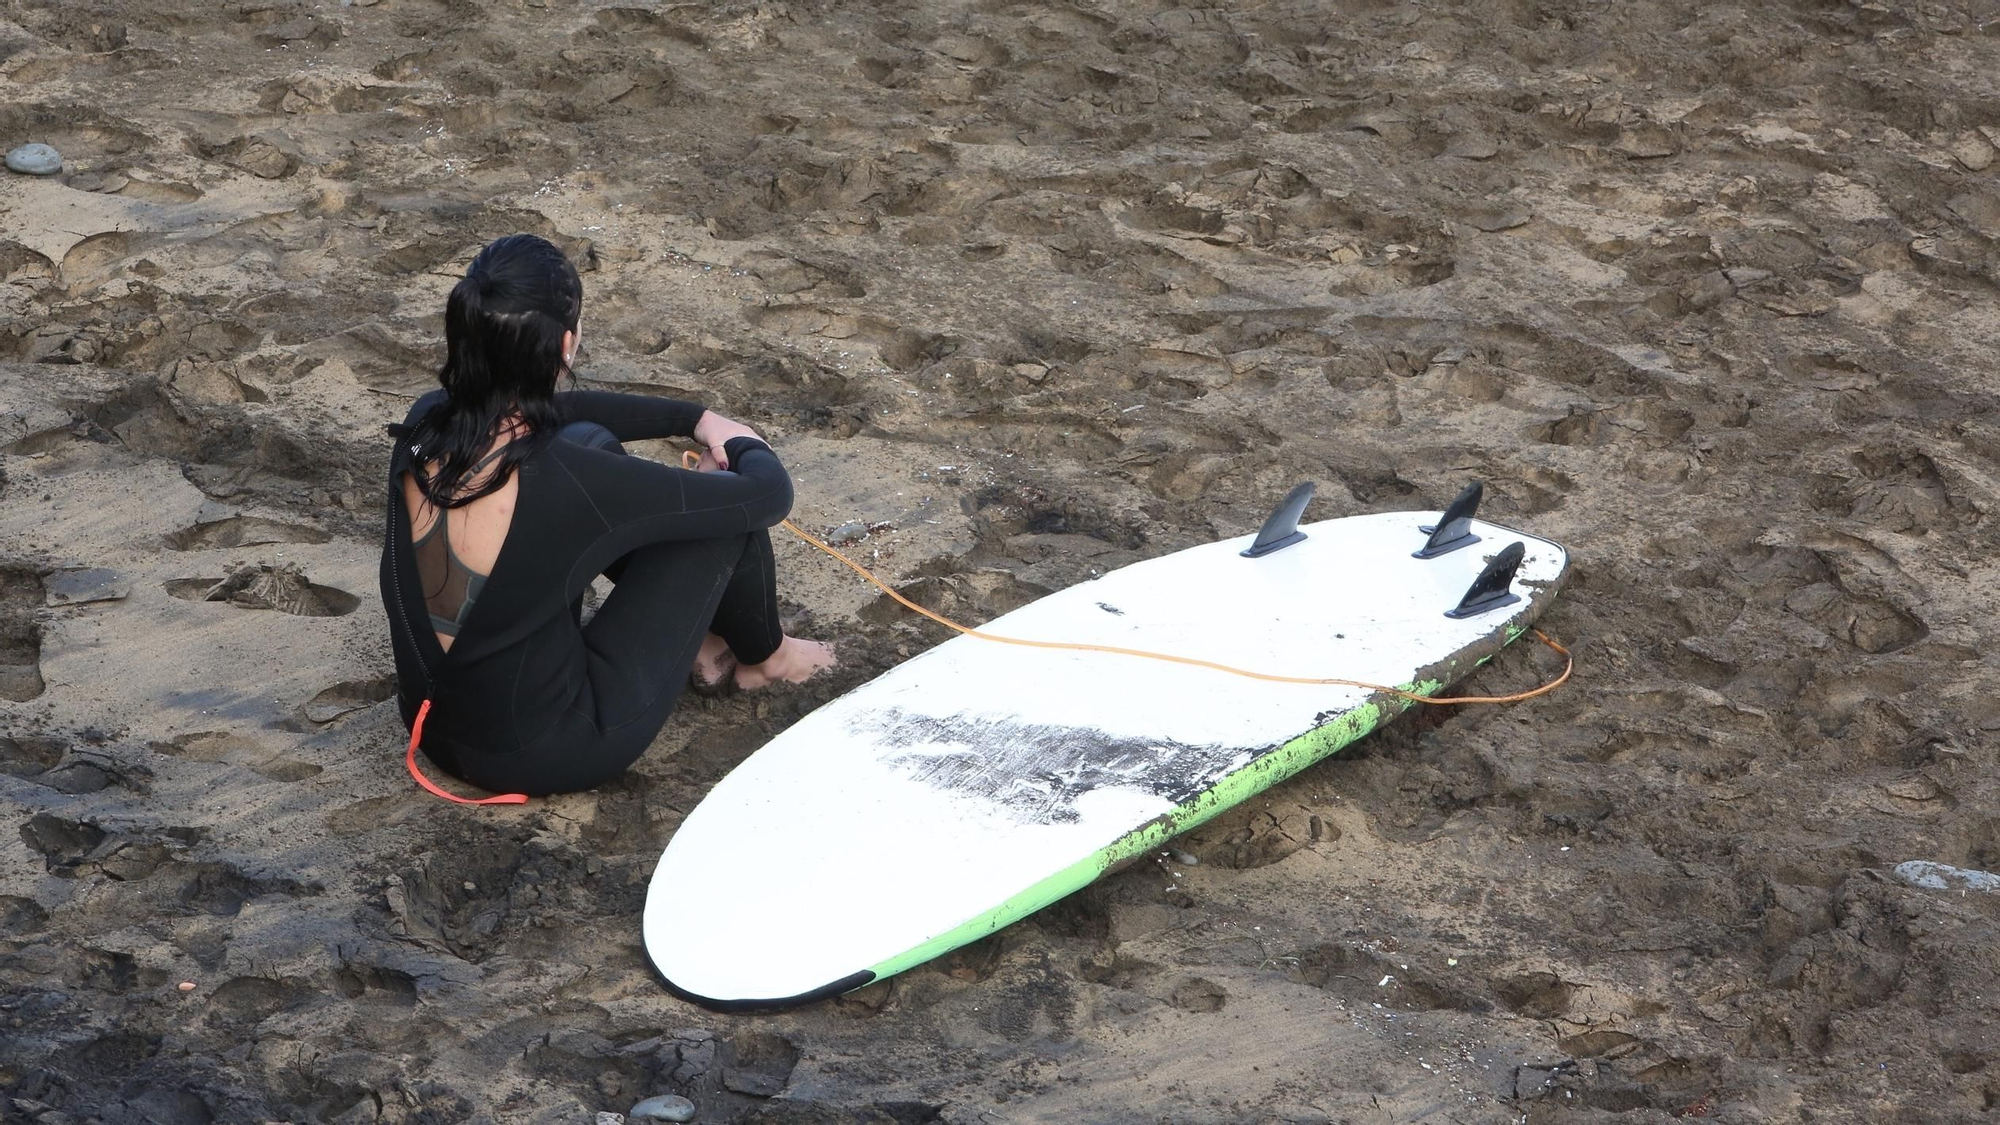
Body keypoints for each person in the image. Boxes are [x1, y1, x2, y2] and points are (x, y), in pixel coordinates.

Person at [378, 233, 834, 798]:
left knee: (588, 435)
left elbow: (564, 411)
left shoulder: (428, 420)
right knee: (722, 524)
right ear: (565, 345)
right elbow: (765, 497)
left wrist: (696, 418)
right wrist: (740, 443)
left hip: (435, 727)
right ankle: (769, 660)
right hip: (543, 752)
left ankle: (703, 644)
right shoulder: (568, 481)